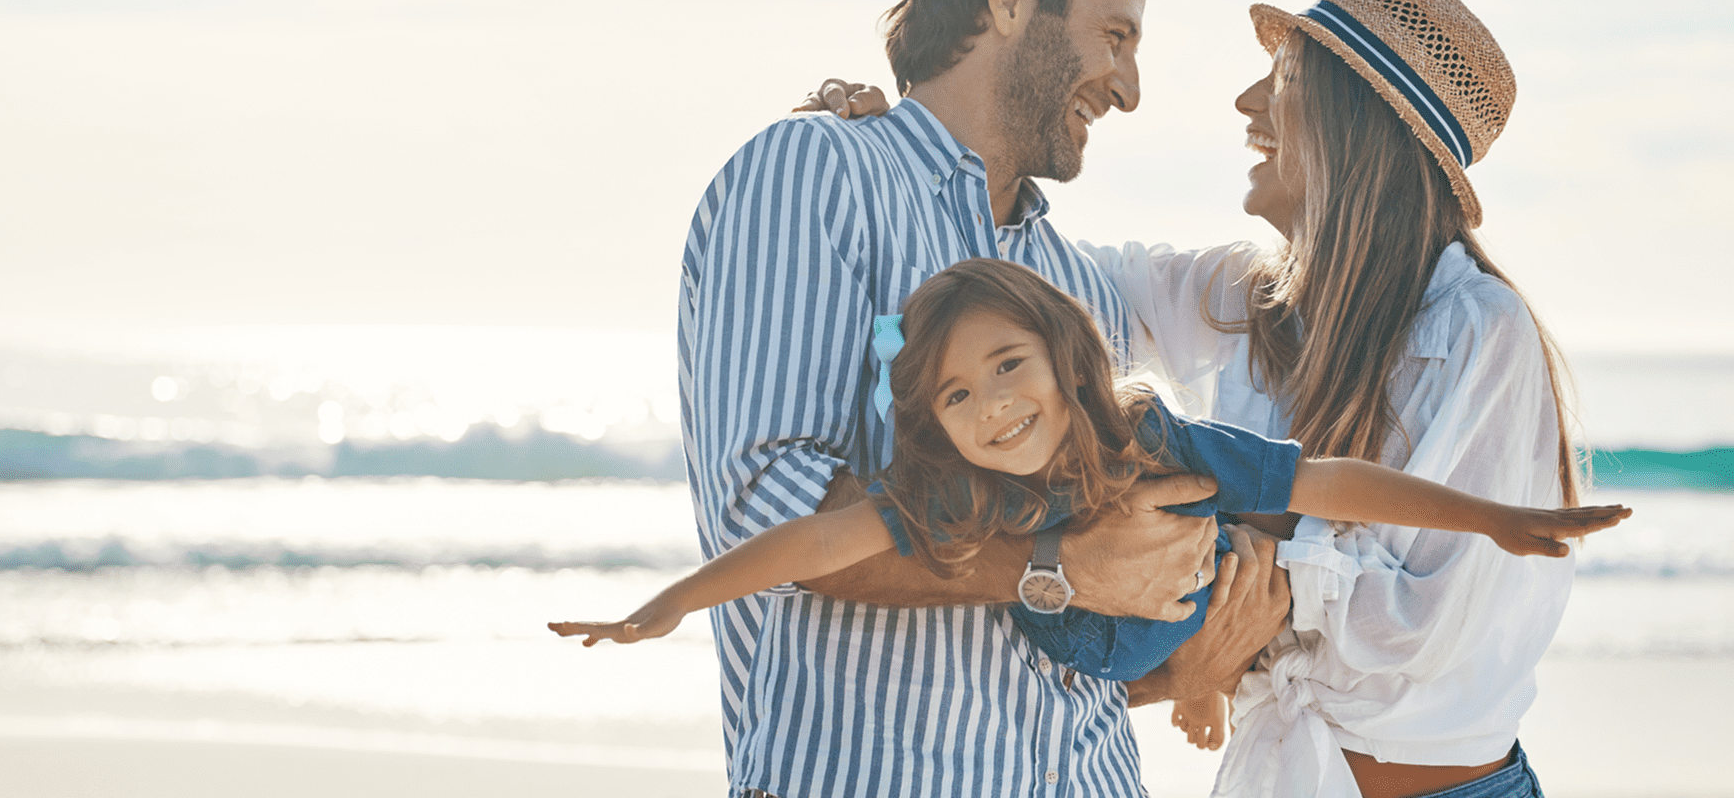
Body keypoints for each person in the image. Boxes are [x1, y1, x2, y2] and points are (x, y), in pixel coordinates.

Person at [800, 0, 1589, 797]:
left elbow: (1434, 627)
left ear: (1355, 130)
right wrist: (906, 157)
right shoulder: (1247, 300)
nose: (1248, 103)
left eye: (1283, 81)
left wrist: (1266, 581)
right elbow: (1027, 286)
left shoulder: (1478, 332)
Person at [676, 0, 1293, 798]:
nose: (1127, 88)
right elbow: (767, 505)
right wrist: (1056, 566)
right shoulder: (818, 173)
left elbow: (1049, 637)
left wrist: (1186, 667)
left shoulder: (1074, 283)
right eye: (1114, 37)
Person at [556, 259, 1625, 735]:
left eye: (1010, 366)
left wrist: (1491, 515)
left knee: (1252, 516)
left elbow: (1321, 476)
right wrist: (672, 605)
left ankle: (1215, 674)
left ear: (1068, 357)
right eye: (958, 394)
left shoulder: (1151, 437)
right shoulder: (959, 495)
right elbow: (810, 543)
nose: (993, 408)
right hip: (1118, 670)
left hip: (1198, 605)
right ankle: (1199, 683)